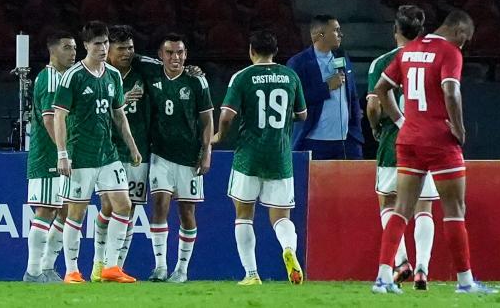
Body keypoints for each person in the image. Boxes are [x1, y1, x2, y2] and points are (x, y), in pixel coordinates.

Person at [371, 10, 497, 294]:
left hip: (410, 139)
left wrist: (402, 121)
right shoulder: (449, 52)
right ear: (460, 31)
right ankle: (465, 282)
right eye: (467, 38)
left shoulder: (409, 50)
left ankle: (383, 278)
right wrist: (459, 129)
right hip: (439, 140)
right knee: (454, 209)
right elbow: (451, 92)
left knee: (401, 208)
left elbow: (381, 88)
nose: (465, 44)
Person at [212, 29, 308, 285]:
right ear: (275, 52)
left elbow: (226, 116)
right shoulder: (290, 76)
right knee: (281, 217)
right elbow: (302, 115)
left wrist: (220, 136)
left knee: (243, 214)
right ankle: (288, 249)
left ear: (251, 51)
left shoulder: (242, 77)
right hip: (280, 155)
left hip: (249, 155)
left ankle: (251, 274)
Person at [53, 22, 142, 284]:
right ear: (86, 46)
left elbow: (118, 113)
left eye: (105, 43)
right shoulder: (73, 76)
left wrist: (132, 146)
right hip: (81, 155)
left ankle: (110, 267)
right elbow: (59, 115)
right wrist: (62, 153)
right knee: (76, 213)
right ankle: (71, 270)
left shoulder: (113, 75)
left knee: (124, 206)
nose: (102, 48)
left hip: (108, 154)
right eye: (97, 44)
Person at [366, 5, 438, 290]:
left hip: (393, 142)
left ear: (395, 30)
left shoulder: (382, 62)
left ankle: (402, 261)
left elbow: (373, 105)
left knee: (389, 202)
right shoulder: (435, 60)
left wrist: (375, 125)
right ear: (421, 31)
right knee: (424, 208)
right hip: (428, 142)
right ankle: (422, 269)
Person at [90, 25, 156, 281]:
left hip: (137, 150)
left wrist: (193, 70)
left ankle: (115, 265)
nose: (127, 53)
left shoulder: (144, 70)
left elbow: (172, 68)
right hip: (108, 151)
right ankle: (98, 262)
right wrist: (122, 101)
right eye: (121, 48)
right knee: (109, 206)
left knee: (130, 208)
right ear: (108, 50)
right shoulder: (99, 75)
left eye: (130, 47)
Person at [147, 33, 214, 283]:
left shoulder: (197, 81)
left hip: (189, 156)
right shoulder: (152, 75)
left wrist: (206, 151)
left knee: (187, 212)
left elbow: (207, 119)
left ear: (186, 54)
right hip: (160, 154)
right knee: (160, 206)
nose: (175, 57)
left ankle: (182, 269)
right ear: (160, 55)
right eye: (170, 53)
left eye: (180, 53)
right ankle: (161, 266)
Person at [23, 31, 76, 283]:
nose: (73, 52)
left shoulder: (65, 78)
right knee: (46, 209)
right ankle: (33, 271)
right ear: (52, 51)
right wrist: (62, 152)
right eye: (66, 47)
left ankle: (47, 267)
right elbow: (49, 118)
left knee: (64, 211)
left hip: (59, 155)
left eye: (75, 47)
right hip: (48, 155)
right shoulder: (51, 78)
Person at [287, 15, 363, 159]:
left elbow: (352, 96)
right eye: (336, 30)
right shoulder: (298, 63)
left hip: (347, 142)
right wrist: (326, 87)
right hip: (313, 141)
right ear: (320, 35)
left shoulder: (342, 57)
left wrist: (356, 129)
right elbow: (293, 102)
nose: (341, 34)